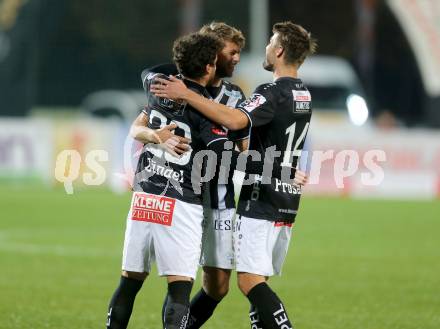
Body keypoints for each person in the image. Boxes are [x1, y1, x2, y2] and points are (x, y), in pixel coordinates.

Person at [151, 21, 317, 329]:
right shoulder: (302, 93)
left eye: (269, 43)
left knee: (246, 282)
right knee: (221, 281)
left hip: (254, 196)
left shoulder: (263, 92)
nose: (243, 56)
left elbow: (238, 123)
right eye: (233, 51)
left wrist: (188, 96)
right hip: (222, 193)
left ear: (279, 50)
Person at [131, 22, 250, 328]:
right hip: (183, 194)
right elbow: (148, 77)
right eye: (231, 52)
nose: (236, 58)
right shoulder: (169, 79)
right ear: (212, 54)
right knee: (179, 279)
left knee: (218, 287)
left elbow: (241, 144)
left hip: (219, 198)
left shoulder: (235, 94)